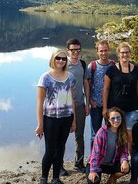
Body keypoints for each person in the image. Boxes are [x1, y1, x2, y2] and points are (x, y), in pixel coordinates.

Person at [35, 49, 76, 184]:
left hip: (66, 118)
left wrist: (74, 120)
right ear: (53, 59)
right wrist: (40, 124)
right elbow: (40, 103)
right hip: (50, 119)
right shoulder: (45, 77)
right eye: (58, 58)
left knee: (60, 148)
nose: (61, 61)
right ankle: (44, 178)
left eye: (64, 59)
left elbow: (71, 100)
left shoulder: (70, 77)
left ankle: (56, 178)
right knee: (50, 150)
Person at [103, 42, 138, 149]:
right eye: (122, 52)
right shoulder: (111, 70)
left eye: (127, 52)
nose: (125, 55)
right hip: (115, 109)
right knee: (115, 134)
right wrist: (105, 108)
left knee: (129, 135)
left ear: (130, 53)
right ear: (118, 54)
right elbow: (106, 89)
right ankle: (114, 159)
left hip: (132, 108)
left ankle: (128, 158)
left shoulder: (136, 70)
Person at [63, 38, 90, 174]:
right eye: (73, 50)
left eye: (78, 50)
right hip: (64, 107)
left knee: (79, 136)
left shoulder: (83, 64)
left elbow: (85, 82)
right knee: (61, 136)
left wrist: (87, 103)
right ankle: (59, 166)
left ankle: (79, 163)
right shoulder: (62, 64)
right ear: (68, 50)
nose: (76, 52)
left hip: (79, 104)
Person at [86, 107, 130, 184]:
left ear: (121, 118)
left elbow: (124, 151)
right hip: (98, 163)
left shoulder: (123, 132)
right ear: (108, 120)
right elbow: (95, 153)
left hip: (111, 163)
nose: (116, 120)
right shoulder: (102, 133)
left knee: (127, 168)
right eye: (113, 118)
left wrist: (124, 161)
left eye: (118, 118)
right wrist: (93, 170)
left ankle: (113, 178)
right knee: (93, 182)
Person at [87, 40, 114, 150]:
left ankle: (108, 160)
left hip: (110, 106)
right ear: (97, 52)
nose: (104, 53)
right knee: (95, 135)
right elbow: (87, 85)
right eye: (101, 51)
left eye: (106, 50)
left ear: (109, 51)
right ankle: (93, 161)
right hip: (96, 105)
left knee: (111, 134)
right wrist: (89, 101)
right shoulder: (92, 66)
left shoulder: (113, 65)